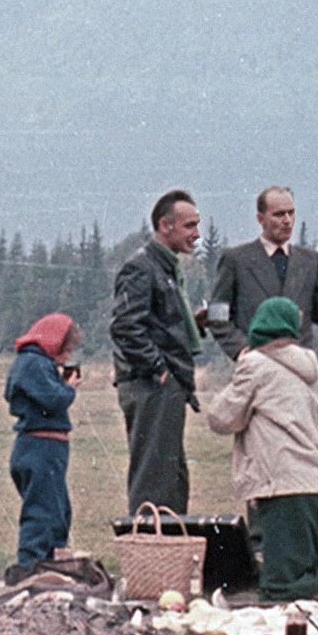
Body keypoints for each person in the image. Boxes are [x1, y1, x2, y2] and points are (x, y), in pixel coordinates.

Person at [205, 297, 318, 602]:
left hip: (284, 489)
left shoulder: (256, 365)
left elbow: (220, 418)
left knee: (279, 587)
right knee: (307, 575)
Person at [111, 189, 204, 514]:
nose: (197, 234)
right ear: (166, 225)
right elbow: (125, 327)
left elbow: (156, 326)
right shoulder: (141, 268)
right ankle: (148, 555)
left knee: (171, 478)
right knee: (154, 480)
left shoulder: (164, 268)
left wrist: (192, 325)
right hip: (151, 386)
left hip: (165, 385)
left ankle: (169, 556)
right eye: (190, 225)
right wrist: (159, 369)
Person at [205, 186, 318, 359]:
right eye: (279, 214)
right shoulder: (236, 260)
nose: (287, 220)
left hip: (301, 367)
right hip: (256, 365)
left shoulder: (310, 260)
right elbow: (217, 315)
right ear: (261, 218)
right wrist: (242, 349)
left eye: (291, 213)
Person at [2, 313, 81, 582]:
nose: (65, 357)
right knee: (42, 513)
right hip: (41, 448)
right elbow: (53, 399)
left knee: (57, 512)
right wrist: (68, 388)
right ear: (54, 341)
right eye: (65, 349)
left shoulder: (33, 363)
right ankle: (29, 571)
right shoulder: (33, 363)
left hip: (42, 448)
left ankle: (49, 569)